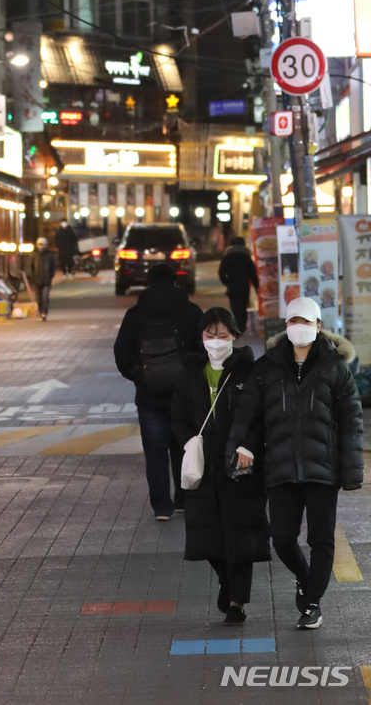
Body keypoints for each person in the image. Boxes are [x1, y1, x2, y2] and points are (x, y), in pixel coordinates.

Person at [230, 296, 364, 630]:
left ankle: (313, 603)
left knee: (321, 539)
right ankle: (305, 577)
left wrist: (351, 472)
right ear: (285, 326)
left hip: (322, 469)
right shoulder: (268, 366)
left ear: (319, 326)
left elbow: (351, 422)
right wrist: (241, 446)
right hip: (281, 467)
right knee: (282, 538)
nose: (299, 328)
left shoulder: (335, 367)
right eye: (293, 322)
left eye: (306, 322)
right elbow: (250, 414)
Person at [171, 307, 270, 626]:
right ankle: (227, 580)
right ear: (201, 337)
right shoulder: (190, 371)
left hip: (239, 460)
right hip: (204, 464)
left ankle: (237, 600)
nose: (215, 341)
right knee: (206, 532)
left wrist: (248, 446)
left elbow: (259, 414)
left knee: (241, 531)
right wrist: (188, 440)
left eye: (222, 335)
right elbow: (178, 414)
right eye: (209, 335)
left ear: (235, 336)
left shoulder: (247, 369)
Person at [114, 262, 203, 521]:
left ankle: (161, 506)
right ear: (176, 281)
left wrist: (140, 377)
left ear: (148, 283)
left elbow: (121, 352)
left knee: (155, 453)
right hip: (184, 395)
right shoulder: (190, 311)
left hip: (149, 397)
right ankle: (183, 500)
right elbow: (204, 347)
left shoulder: (136, 314)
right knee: (183, 447)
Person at [218, 236, 259, 334]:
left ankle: (238, 326)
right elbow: (253, 273)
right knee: (243, 307)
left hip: (232, 286)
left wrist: (226, 282)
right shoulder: (247, 257)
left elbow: (221, 272)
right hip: (244, 286)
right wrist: (256, 285)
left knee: (235, 308)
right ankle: (242, 326)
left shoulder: (227, 257)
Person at [32, 237, 56, 321]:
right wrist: (33, 276)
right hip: (37, 279)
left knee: (45, 297)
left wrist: (51, 276)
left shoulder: (50, 255)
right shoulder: (35, 255)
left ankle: (44, 313)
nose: (41, 246)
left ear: (46, 245)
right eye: (39, 244)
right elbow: (31, 266)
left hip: (46, 280)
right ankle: (40, 311)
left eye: (42, 245)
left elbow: (53, 266)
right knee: (39, 298)